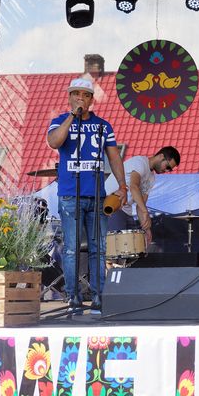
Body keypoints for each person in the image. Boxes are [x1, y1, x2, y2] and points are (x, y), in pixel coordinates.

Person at [47, 74, 127, 315]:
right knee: (71, 248)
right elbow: (54, 142)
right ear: (69, 98)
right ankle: (73, 298)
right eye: (75, 94)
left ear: (92, 100)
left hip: (97, 195)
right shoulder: (59, 121)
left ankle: (99, 297)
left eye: (85, 95)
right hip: (70, 195)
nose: (80, 98)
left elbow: (114, 156)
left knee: (98, 248)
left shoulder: (103, 126)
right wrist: (72, 116)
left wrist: (122, 185)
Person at [105, 146, 181, 244]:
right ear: (161, 156)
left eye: (169, 170)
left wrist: (146, 228)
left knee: (136, 245)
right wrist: (145, 212)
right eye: (167, 167)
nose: (166, 171)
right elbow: (134, 187)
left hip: (125, 210)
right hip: (112, 204)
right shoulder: (140, 162)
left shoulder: (151, 178)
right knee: (118, 246)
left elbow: (140, 206)